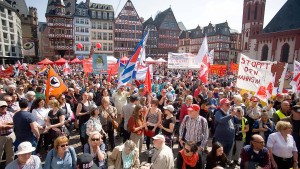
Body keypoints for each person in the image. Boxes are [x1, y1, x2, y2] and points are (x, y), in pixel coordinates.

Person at [0, 101, 15, 165]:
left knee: (11, 153)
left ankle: (10, 166)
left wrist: (6, 124)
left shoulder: (10, 113)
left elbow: (16, 122)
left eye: (5, 106)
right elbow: (1, 127)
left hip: (11, 135)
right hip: (1, 136)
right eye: (1, 107)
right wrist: (10, 124)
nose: (4, 108)